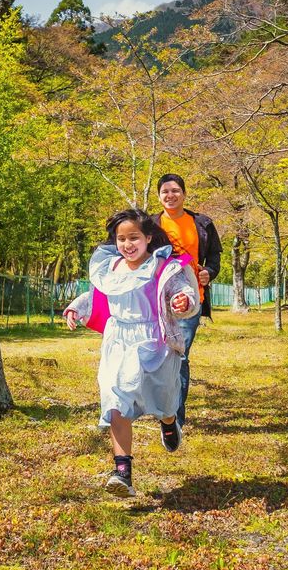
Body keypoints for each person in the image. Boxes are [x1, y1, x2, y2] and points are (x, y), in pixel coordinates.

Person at [63, 209, 201, 498]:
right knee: (116, 398)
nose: (127, 244)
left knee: (162, 398)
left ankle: (169, 421)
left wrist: (182, 302)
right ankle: (122, 471)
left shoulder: (162, 266)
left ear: (148, 238)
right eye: (121, 238)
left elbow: (184, 293)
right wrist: (78, 306)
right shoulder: (111, 268)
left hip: (155, 341)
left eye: (134, 237)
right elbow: (99, 295)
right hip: (118, 341)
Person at [150, 174, 223, 428]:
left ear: (184, 193)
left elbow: (214, 257)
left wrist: (209, 273)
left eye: (175, 190)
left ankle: (174, 419)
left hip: (190, 300)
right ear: (158, 196)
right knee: (157, 354)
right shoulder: (150, 224)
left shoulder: (202, 223)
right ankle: (159, 406)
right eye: (165, 191)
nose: (170, 195)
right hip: (155, 301)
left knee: (179, 356)